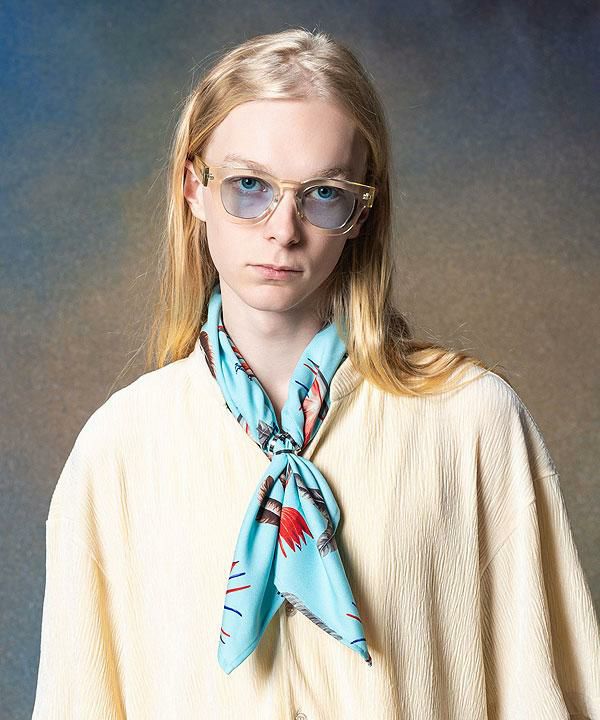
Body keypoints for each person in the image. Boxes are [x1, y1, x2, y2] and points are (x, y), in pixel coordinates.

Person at [31, 27, 600, 720]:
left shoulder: (474, 422)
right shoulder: (117, 450)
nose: (283, 229)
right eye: (248, 186)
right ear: (193, 188)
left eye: (323, 193)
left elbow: (549, 694)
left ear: (362, 211)